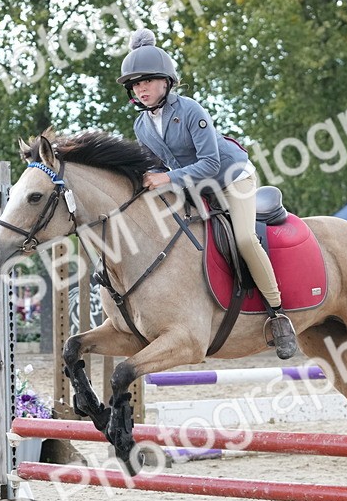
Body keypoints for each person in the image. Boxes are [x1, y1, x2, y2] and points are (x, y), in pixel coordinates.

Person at [117, 28, 297, 359]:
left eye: (147, 81)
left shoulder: (190, 110)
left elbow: (210, 162)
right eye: (135, 84)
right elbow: (156, 169)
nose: (141, 88)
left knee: (244, 238)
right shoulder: (141, 125)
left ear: (166, 82)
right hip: (193, 184)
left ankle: (278, 311)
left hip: (230, 177)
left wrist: (167, 178)